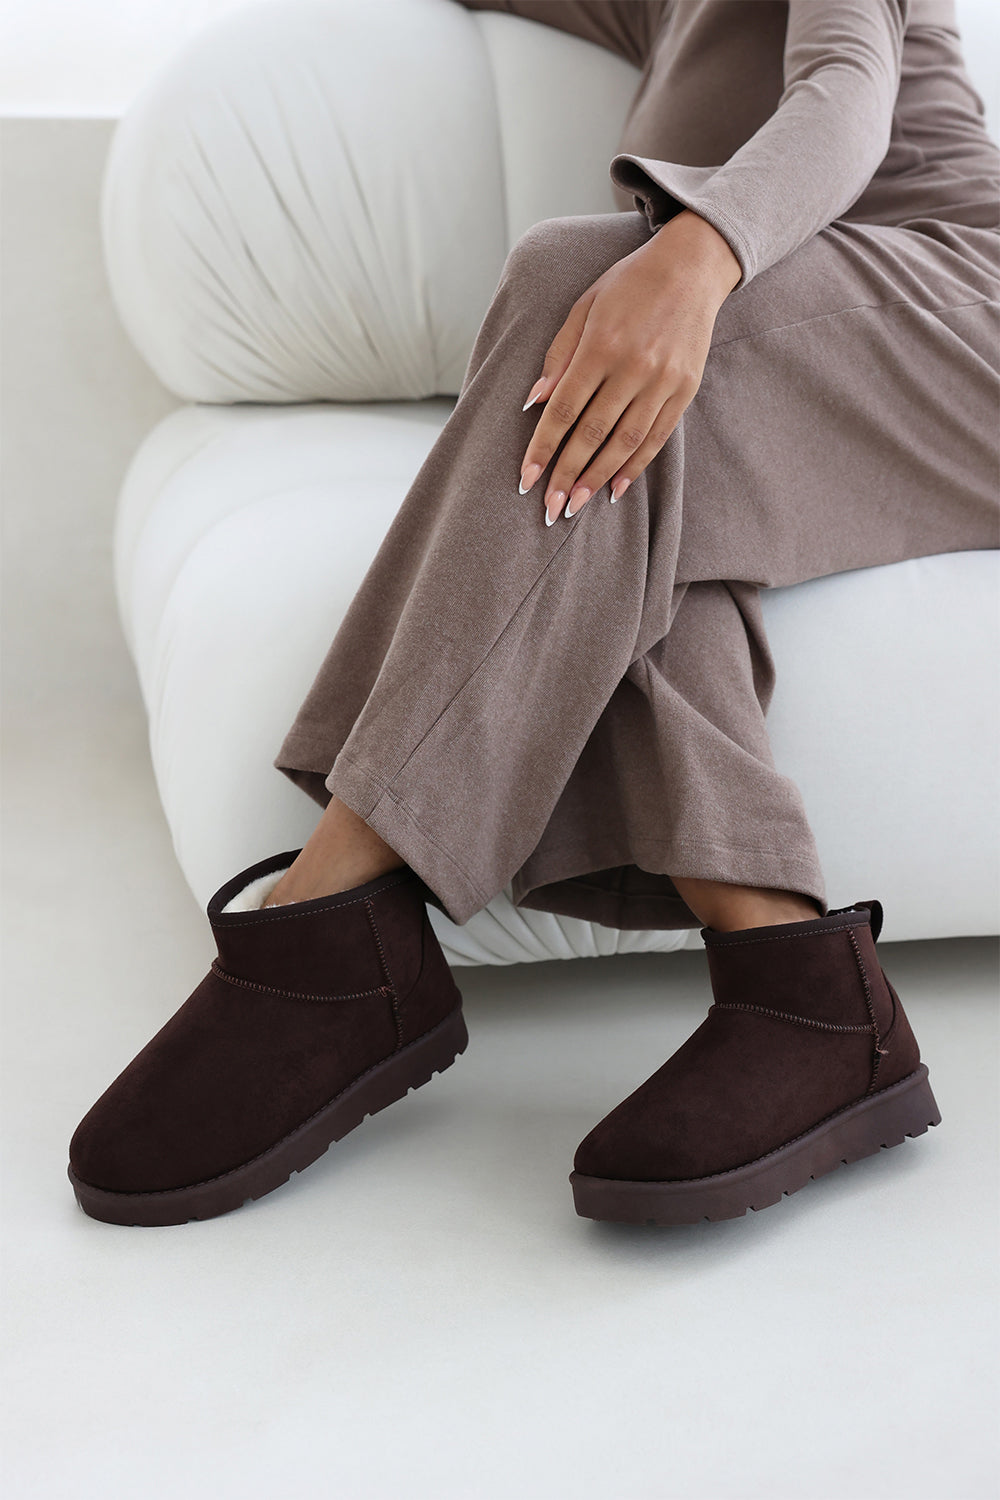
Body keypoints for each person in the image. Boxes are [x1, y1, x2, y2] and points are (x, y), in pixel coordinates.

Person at [67, 0, 999, 1228]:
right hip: (801, 340)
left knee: (588, 290)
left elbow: (845, 86)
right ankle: (802, 992)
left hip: (951, 306)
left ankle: (335, 916)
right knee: (618, 498)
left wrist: (690, 256)